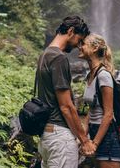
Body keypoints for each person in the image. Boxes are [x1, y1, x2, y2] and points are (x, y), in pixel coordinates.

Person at [37, 16, 96, 168]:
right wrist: (85, 141)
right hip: (60, 138)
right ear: (70, 31)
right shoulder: (59, 58)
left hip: (46, 134)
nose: (78, 46)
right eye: (79, 39)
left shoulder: (45, 54)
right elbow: (66, 106)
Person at [79, 34, 120, 168]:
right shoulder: (90, 75)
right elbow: (92, 110)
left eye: (84, 44)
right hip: (96, 132)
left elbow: (109, 114)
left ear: (95, 48)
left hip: (107, 135)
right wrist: (84, 137)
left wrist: (95, 143)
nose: (80, 47)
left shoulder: (103, 75)